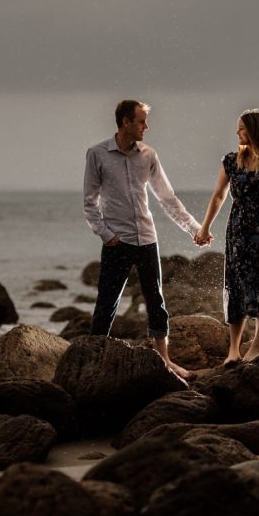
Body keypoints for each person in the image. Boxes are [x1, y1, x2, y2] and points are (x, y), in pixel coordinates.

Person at [83, 99, 202, 379]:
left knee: (156, 301)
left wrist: (194, 229)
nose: (146, 127)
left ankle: (165, 363)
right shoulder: (97, 154)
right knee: (107, 303)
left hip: (147, 239)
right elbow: (89, 203)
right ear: (125, 122)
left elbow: (167, 198)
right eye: (141, 121)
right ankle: (93, 362)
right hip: (117, 242)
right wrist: (107, 235)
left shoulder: (148, 155)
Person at [194, 109, 259, 364]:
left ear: (254, 130)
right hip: (239, 229)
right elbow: (219, 195)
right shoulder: (231, 161)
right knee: (238, 283)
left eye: (241, 128)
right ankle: (233, 350)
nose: (237, 132)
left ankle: (256, 346)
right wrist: (205, 226)